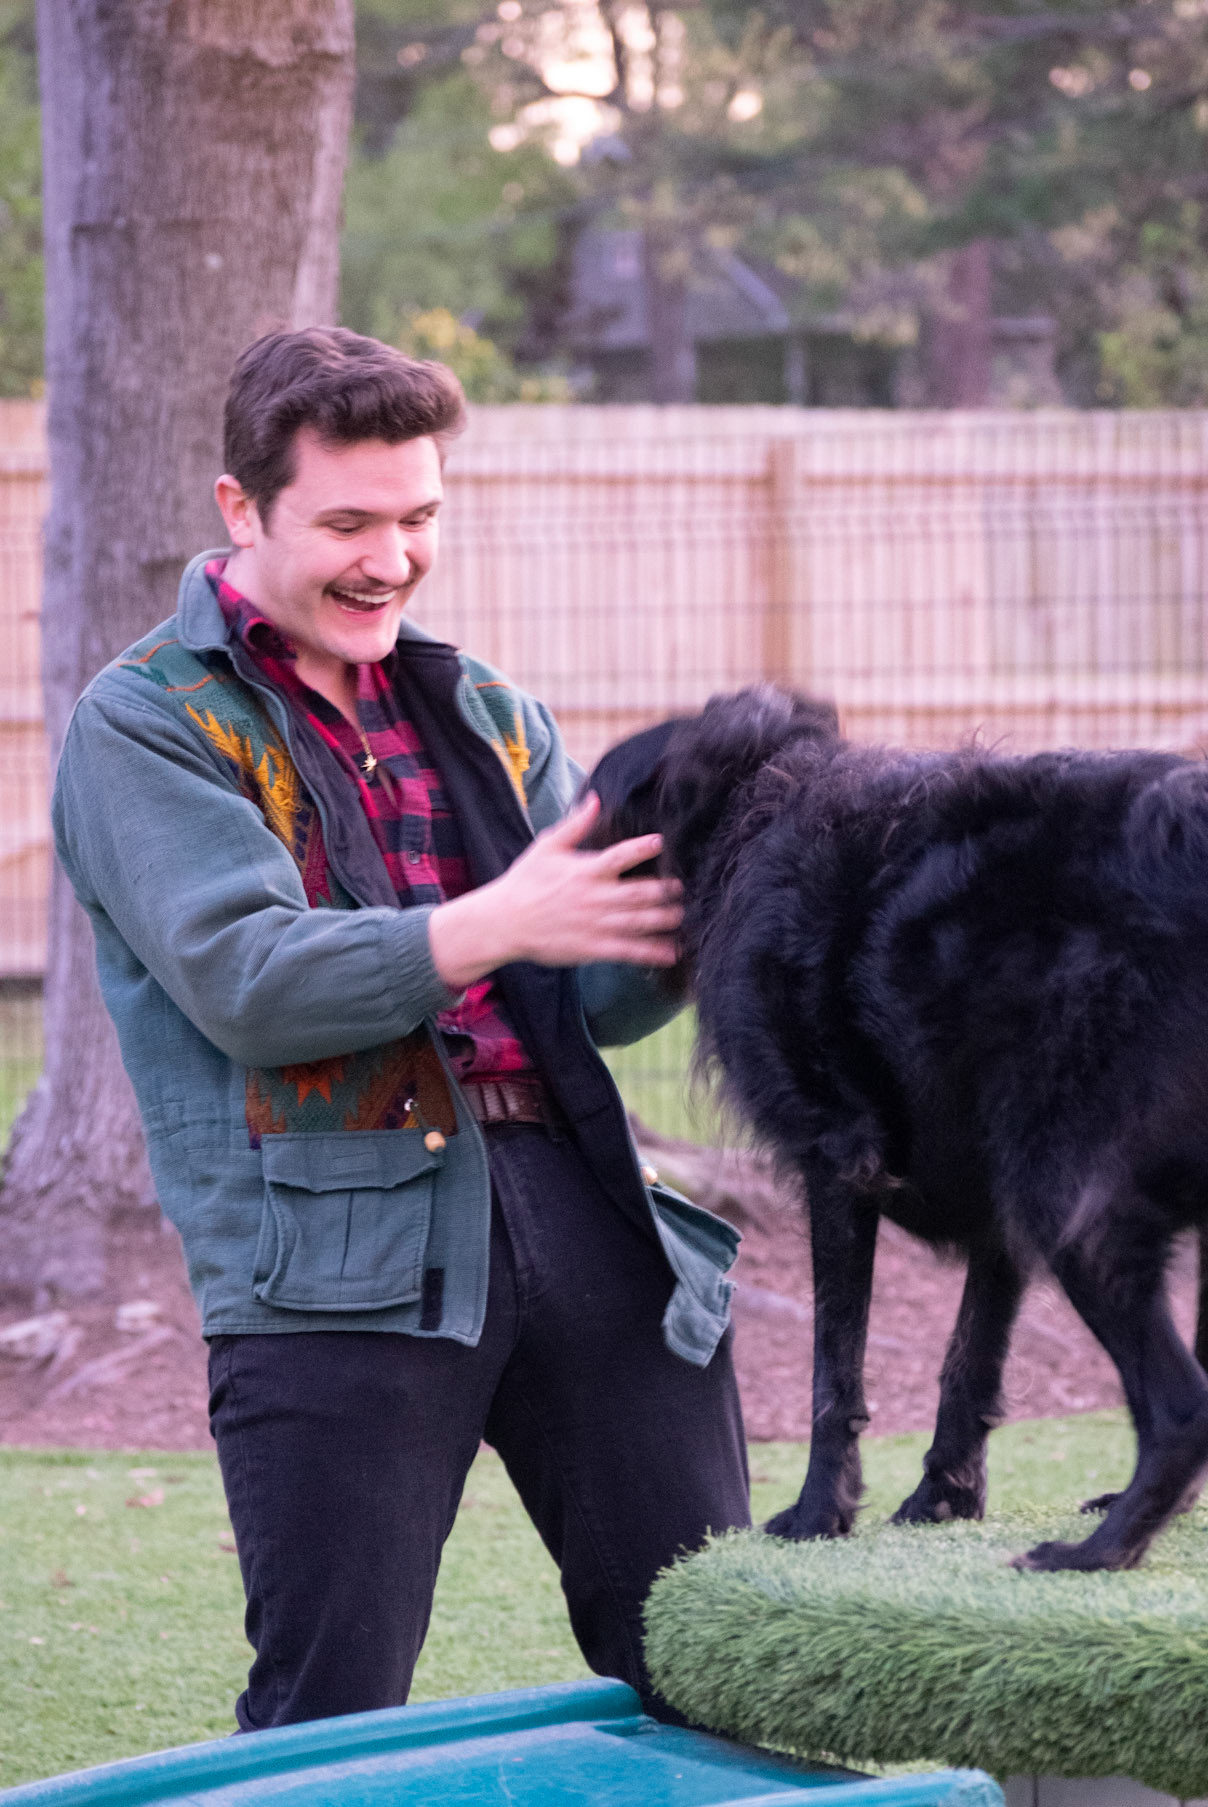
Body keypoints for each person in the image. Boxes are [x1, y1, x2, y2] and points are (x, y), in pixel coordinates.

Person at [51, 325, 750, 1731]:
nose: (393, 558)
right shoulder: (146, 723)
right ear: (242, 509)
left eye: (419, 517)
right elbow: (251, 981)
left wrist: (711, 882)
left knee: (713, 1657)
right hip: (331, 1259)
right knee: (330, 1706)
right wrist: (501, 917)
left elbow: (595, 993)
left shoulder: (483, 708)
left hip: (589, 1207)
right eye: (349, 525)